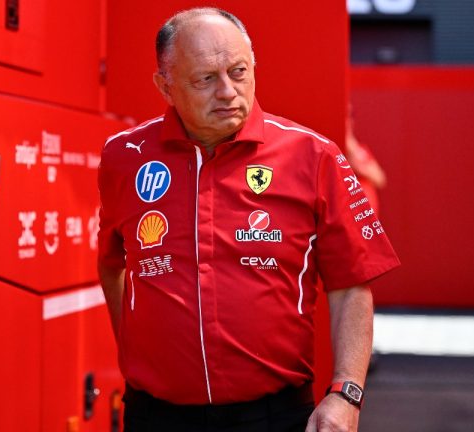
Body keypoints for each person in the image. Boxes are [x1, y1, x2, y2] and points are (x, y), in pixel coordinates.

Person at [97, 7, 400, 432]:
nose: (228, 91)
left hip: (273, 416)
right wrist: (137, 352)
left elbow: (351, 285)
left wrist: (346, 394)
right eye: (205, 79)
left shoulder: (313, 156)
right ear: (164, 87)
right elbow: (112, 264)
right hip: (155, 415)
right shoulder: (122, 157)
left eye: (238, 72)